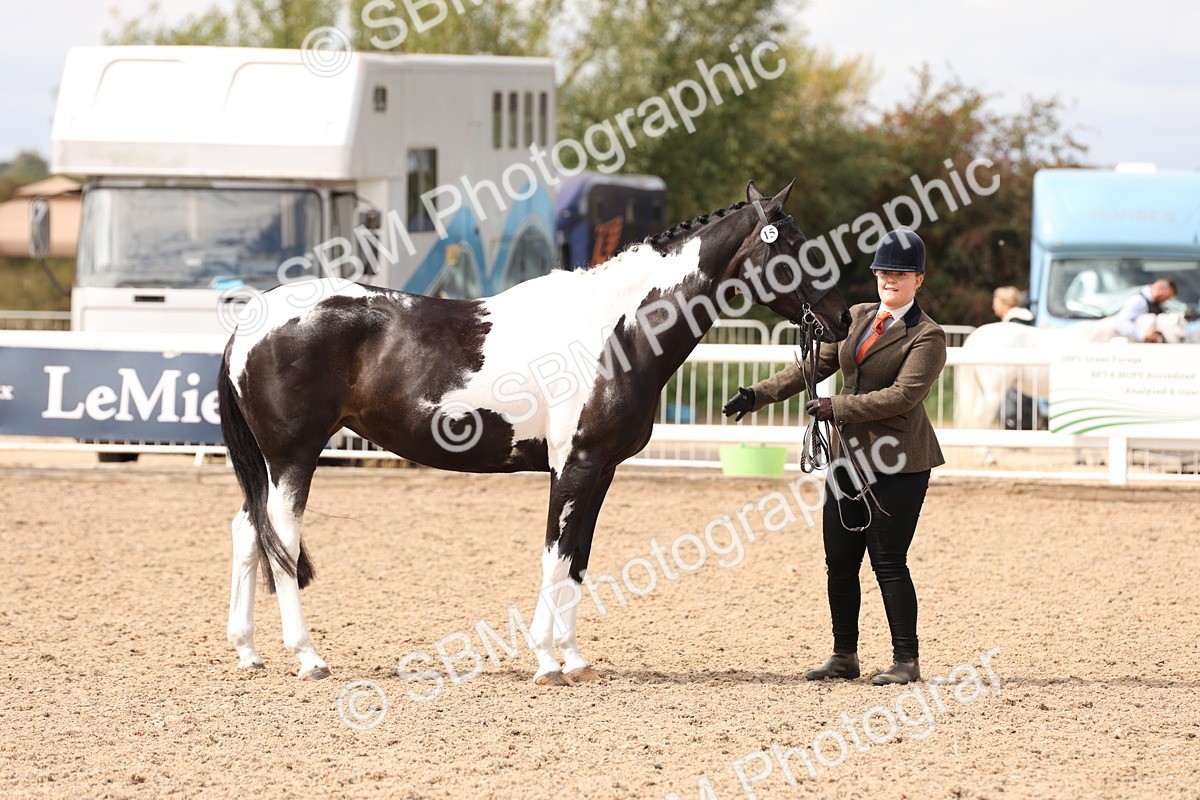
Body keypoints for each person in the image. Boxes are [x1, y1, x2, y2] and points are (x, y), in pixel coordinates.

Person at [722, 228, 946, 685]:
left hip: (899, 463)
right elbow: (811, 366)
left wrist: (835, 407)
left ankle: (906, 660)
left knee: (888, 561)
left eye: (900, 274)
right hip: (847, 460)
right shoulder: (857, 316)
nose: (890, 279)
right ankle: (844, 655)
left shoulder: (928, 335)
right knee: (839, 561)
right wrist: (757, 395)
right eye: (884, 271)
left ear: (918, 280)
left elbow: (903, 396)